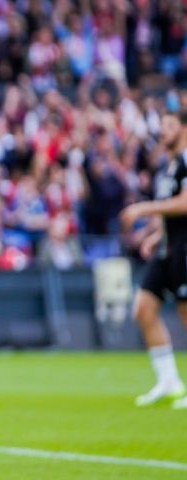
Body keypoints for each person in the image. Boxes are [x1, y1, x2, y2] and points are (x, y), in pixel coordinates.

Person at [120, 111, 187, 409]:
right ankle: (169, 381)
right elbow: (169, 211)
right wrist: (155, 236)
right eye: (162, 126)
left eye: (170, 126)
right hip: (168, 249)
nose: (163, 131)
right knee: (144, 309)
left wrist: (141, 209)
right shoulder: (168, 167)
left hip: (185, 248)